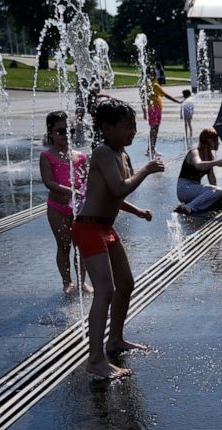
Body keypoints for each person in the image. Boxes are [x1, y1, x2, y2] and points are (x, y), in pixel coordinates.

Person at [73, 98, 163, 379]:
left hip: (105, 227)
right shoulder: (102, 152)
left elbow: (111, 195)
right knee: (105, 291)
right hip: (88, 228)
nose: (133, 131)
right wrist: (146, 170)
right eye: (126, 127)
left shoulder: (121, 155)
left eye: (134, 126)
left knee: (126, 283)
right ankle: (96, 359)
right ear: (107, 128)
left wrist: (136, 211)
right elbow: (118, 187)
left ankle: (115, 339)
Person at [40, 110, 90, 294]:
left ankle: (82, 281)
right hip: (58, 209)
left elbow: (87, 180)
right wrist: (71, 191)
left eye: (71, 131)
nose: (66, 135)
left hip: (79, 208)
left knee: (82, 246)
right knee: (64, 245)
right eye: (61, 131)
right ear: (50, 132)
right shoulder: (47, 156)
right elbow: (49, 182)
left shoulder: (81, 156)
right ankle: (67, 281)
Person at [175, 127, 222, 214]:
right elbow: (198, 165)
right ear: (208, 140)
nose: (218, 143)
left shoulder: (209, 156)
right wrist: (216, 162)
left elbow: (212, 180)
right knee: (220, 191)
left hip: (194, 189)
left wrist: (216, 196)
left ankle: (189, 206)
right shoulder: (194, 152)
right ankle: (189, 207)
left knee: (219, 193)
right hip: (184, 189)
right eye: (215, 140)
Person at [141, 67, 182, 158]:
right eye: (150, 74)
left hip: (154, 109)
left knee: (154, 129)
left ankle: (151, 148)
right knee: (154, 129)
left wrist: (144, 111)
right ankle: (150, 149)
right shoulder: (155, 85)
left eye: (153, 74)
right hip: (155, 109)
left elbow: (143, 99)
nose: (152, 76)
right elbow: (166, 95)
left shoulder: (146, 85)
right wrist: (178, 101)